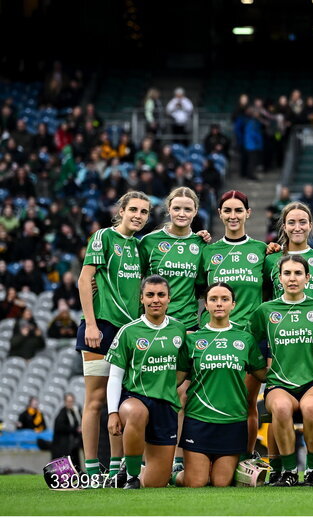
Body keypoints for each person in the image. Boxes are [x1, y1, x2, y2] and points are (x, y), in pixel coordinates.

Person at [77, 191, 151, 484]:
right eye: (133, 209)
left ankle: (116, 468)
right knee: (95, 400)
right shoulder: (103, 237)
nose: (138, 215)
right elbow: (85, 279)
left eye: (144, 212)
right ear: (121, 210)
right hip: (102, 326)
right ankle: (92, 468)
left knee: (120, 401)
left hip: (129, 330)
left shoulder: (140, 247)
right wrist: (91, 324)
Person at [175, 283, 267, 487]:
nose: (219, 304)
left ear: (233, 304)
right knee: (196, 482)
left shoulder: (246, 340)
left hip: (233, 423)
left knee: (221, 483)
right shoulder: (192, 341)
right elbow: (176, 380)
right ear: (205, 305)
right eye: (213, 299)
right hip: (198, 421)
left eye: (224, 299)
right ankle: (172, 475)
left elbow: (264, 374)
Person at [251, 255, 313, 486]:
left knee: (311, 407)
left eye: (298, 273)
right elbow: (249, 342)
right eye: (287, 273)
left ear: (307, 278)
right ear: (279, 278)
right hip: (279, 382)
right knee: (282, 408)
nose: (292, 278)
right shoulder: (266, 310)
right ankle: (289, 471)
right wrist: (260, 371)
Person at [199, 190, 268, 456]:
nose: (233, 215)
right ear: (220, 214)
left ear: (248, 213)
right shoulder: (208, 251)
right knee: (213, 399)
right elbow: (196, 290)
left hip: (249, 339)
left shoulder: (261, 250)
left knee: (248, 403)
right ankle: (207, 455)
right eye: (227, 210)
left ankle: (247, 457)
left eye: (238, 210)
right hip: (213, 337)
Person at [106, 275, 188, 488]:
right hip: (135, 398)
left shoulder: (179, 330)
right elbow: (115, 376)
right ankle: (132, 476)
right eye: (150, 295)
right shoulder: (129, 331)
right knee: (136, 412)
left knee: (155, 483)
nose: (156, 300)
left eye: (161, 295)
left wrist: (167, 385)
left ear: (169, 299)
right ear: (141, 298)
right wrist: (112, 412)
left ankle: (131, 466)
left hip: (166, 405)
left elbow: (182, 369)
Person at [139, 187, 207, 332]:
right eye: (176, 208)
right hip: (154, 323)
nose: (182, 214)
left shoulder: (201, 244)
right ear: (169, 209)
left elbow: (201, 287)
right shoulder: (149, 241)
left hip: (188, 325)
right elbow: (135, 279)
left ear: (195, 212)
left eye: (187, 209)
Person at [265, 202, 313, 300]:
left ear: (310, 226)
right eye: (291, 222)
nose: (297, 228)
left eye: (302, 222)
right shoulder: (271, 259)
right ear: (284, 227)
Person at [52, 393, 83, 468]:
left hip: (74, 445)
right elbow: (60, 427)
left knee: (76, 464)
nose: (70, 403)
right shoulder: (62, 413)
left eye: (71, 401)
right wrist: (75, 429)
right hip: (63, 445)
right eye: (68, 401)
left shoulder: (76, 412)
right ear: (65, 402)